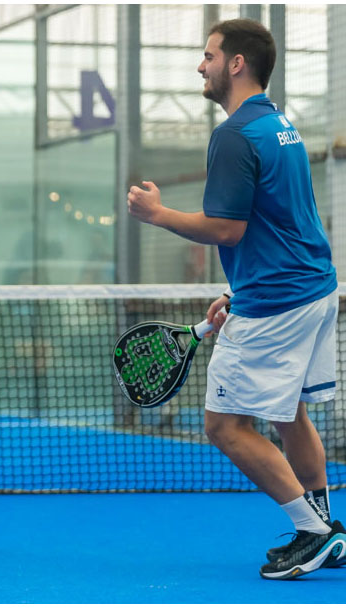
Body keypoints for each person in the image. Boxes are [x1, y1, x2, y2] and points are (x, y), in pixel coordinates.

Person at [127, 19, 344, 580]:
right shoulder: (280, 126)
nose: (201, 66)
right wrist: (236, 290)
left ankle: (314, 533)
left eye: (209, 56)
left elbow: (227, 228)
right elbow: (279, 220)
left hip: (276, 303)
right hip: (312, 288)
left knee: (224, 427)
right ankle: (327, 529)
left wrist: (158, 214)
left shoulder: (234, 134)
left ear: (236, 64)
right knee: (288, 413)